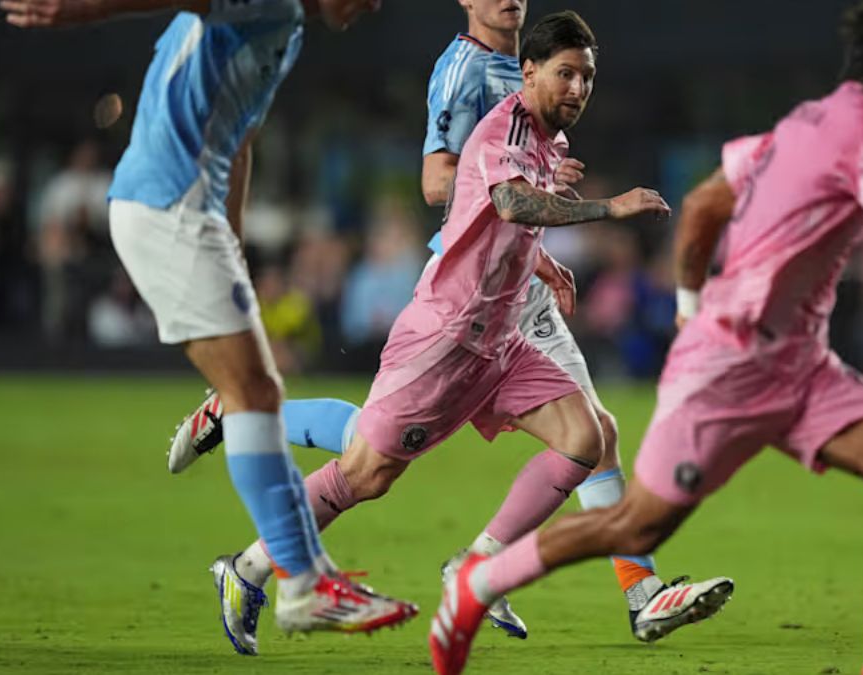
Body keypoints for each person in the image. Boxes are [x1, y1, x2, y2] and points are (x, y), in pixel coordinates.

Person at [428, 2, 863, 674]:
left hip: (802, 364)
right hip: (735, 362)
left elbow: (704, 204)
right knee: (635, 524)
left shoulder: (806, 120)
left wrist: (690, 302)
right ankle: (477, 584)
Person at [168, 0, 729, 649]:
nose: (577, 89)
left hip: (503, 338)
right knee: (366, 471)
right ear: (529, 71)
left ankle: (488, 566)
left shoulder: (552, 140)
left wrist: (540, 260)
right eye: (566, 75)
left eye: (587, 78)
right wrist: (611, 206)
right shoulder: (497, 117)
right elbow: (500, 197)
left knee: (589, 436)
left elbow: (503, 215)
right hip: (447, 333)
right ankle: (245, 557)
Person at [0, 0, 419, 656]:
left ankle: (300, 570)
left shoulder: (289, 25)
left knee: (258, 390)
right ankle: (302, 582)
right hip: (168, 204)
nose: (372, 6)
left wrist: (234, 243)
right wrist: (72, 12)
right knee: (256, 394)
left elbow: (240, 136)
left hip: (190, 213)